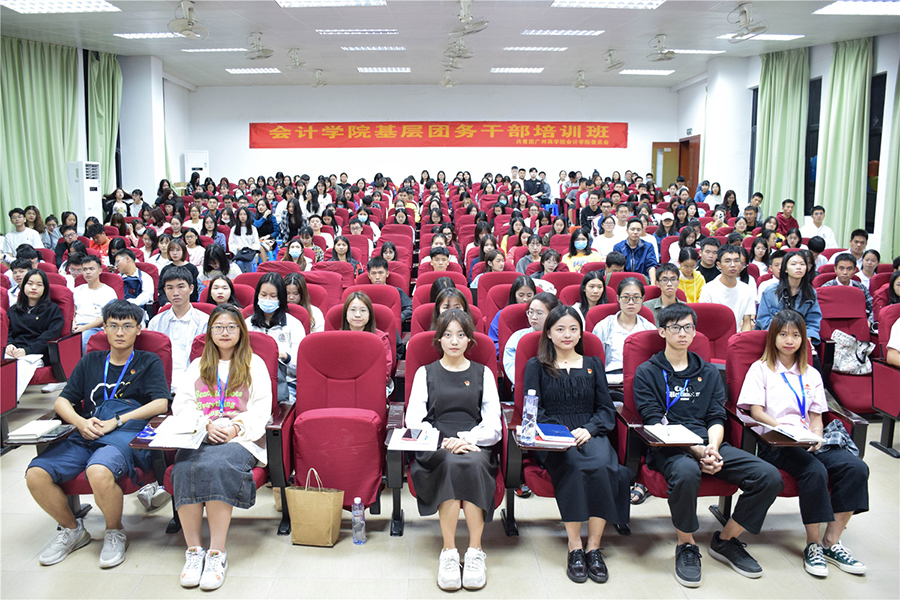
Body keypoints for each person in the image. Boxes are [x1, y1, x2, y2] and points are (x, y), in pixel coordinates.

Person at [634, 304, 784, 588]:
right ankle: (686, 544)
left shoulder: (708, 372)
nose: (683, 333)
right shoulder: (648, 372)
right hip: (669, 446)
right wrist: (697, 450)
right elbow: (653, 420)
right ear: (662, 331)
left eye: (688, 327)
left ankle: (726, 539)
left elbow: (716, 416)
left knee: (768, 476)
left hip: (709, 442)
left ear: (694, 332)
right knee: (686, 472)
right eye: (675, 327)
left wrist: (712, 448)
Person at [25, 300, 170, 568]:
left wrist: (117, 420)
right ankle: (72, 530)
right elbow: (62, 401)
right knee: (36, 474)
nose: (120, 332)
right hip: (87, 429)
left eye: (127, 326)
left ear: (139, 329)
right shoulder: (91, 360)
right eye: (113, 326)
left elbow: (161, 403)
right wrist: (80, 422)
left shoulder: (148, 361)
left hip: (125, 431)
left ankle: (114, 531)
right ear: (104, 328)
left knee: (98, 470)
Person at [737, 309, 869, 577]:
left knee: (856, 468)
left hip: (807, 439)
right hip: (776, 442)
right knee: (814, 470)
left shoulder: (810, 374)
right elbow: (756, 412)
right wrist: (782, 428)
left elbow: (816, 415)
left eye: (796, 335)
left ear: (803, 339)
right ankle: (813, 544)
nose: (789, 340)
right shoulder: (761, 369)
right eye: (783, 334)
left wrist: (817, 435)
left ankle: (831, 542)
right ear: (773, 337)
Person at [523, 305, 631, 584]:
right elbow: (533, 410)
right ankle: (574, 546)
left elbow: (605, 408)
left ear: (581, 333)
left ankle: (594, 547)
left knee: (604, 466)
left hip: (589, 432)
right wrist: (562, 433)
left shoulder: (593, 364)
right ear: (548, 333)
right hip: (553, 437)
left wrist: (590, 429)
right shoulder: (536, 366)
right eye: (560, 329)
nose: (567, 334)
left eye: (573, 329)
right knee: (573, 466)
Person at [171, 305, 273, 590]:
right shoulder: (197, 365)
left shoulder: (255, 364)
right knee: (184, 468)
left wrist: (235, 427)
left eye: (231, 327)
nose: (224, 332)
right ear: (210, 332)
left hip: (241, 437)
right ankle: (194, 551)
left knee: (216, 466)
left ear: (241, 331)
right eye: (218, 327)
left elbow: (261, 410)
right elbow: (182, 406)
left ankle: (216, 553)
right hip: (200, 433)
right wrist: (205, 425)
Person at [406, 310, 501, 591]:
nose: (454, 341)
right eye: (448, 335)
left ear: (469, 339)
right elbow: (414, 420)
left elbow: (494, 424)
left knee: (470, 463)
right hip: (435, 445)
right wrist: (444, 441)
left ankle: (474, 551)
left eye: (460, 335)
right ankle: (448, 552)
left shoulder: (483, 373)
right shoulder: (426, 373)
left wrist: (467, 439)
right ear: (439, 339)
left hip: (475, 442)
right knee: (450, 463)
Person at [4, 269, 64, 398]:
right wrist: (9, 344)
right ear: (23, 286)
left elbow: (50, 336)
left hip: (36, 354)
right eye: (30, 283)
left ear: (45, 288)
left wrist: (27, 351)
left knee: (18, 367)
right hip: (14, 351)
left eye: (39, 284)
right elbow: (7, 331)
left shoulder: (53, 310)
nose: (34, 288)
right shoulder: (13, 310)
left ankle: (6, 401)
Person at [246, 273, 305, 404]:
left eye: (273, 296)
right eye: (263, 295)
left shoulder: (294, 325)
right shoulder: (247, 324)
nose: (267, 299)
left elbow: (301, 368)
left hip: (285, 385)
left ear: (281, 298)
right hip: (251, 383)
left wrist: (285, 357)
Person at [148, 265, 210, 388]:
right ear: (164, 290)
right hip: (161, 382)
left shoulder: (205, 321)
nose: (175, 293)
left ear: (191, 289)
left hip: (197, 382)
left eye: (181, 287)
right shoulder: (156, 322)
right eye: (170, 288)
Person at [592, 277, 656, 374]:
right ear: (618, 298)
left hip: (641, 377)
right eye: (626, 297)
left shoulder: (649, 329)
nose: (631, 302)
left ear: (642, 299)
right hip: (610, 377)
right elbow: (594, 360)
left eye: (636, 298)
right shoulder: (603, 327)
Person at [756, 251, 822, 343]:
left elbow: (813, 322)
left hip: (800, 339)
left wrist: (807, 338)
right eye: (793, 264)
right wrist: (785, 336)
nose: (798, 267)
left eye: (802, 264)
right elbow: (763, 320)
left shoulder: (810, 292)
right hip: (774, 338)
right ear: (785, 269)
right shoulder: (770, 292)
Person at [699, 244, 757, 333]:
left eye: (736, 261)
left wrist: (742, 339)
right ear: (719, 265)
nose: (733, 265)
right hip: (715, 336)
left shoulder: (747, 290)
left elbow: (746, 322)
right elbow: (705, 322)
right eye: (727, 261)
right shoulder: (708, 289)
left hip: (738, 337)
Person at [502, 292, 559, 381]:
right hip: (524, 384)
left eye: (539, 313)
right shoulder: (517, 337)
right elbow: (512, 369)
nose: (533, 317)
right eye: (531, 312)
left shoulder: (561, 336)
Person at [341, 291, 392, 390]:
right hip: (341, 385)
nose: (357, 315)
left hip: (370, 387)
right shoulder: (335, 339)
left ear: (369, 315)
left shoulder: (380, 340)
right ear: (345, 314)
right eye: (352, 310)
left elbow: (384, 372)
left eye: (363, 310)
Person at [72, 255, 118, 353]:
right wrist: (73, 324)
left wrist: (84, 328)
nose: (87, 272)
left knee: (86, 338)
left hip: (96, 328)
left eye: (91, 269)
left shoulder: (108, 292)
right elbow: (72, 311)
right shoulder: (77, 290)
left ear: (100, 271)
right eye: (84, 269)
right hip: (77, 326)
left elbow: (106, 317)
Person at [822, 253, 875, 327]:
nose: (845, 272)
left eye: (849, 269)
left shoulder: (861, 288)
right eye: (841, 268)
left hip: (856, 324)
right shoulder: (826, 288)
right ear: (835, 269)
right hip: (832, 325)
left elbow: (873, 307)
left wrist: (869, 321)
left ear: (854, 270)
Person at [488, 276, 536, 354]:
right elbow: (493, 344)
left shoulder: (539, 315)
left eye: (529, 295)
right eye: (521, 295)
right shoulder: (502, 314)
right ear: (514, 295)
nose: (525, 299)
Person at [366, 256, 412, 324]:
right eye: (373, 273)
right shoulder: (363, 293)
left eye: (380, 273)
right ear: (369, 275)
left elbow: (410, 308)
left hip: (392, 325)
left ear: (387, 274)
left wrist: (398, 318)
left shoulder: (396, 291)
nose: (377, 277)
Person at [613, 218, 658, 284]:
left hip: (643, 281)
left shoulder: (648, 247)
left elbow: (651, 266)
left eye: (638, 230)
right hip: (624, 282)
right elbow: (617, 268)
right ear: (627, 230)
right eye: (632, 229)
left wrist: (653, 284)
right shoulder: (618, 247)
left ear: (642, 231)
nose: (635, 232)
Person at [158, 238, 200, 304]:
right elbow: (161, 290)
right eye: (171, 250)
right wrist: (166, 302)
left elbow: (194, 291)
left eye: (178, 250)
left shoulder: (192, 268)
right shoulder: (165, 269)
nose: (174, 253)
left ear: (184, 251)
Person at [113, 249, 154, 316]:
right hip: (117, 311)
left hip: (137, 311)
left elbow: (146, 296)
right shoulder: (116, 278)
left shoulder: (145, 277)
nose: (116, 265)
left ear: (127, 259)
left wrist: (129, 303)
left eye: (117, 261)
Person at [229, 207, 260, 273]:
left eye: (244, 214)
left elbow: (256, 243)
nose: (242, 216)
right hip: (239, 254)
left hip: (250, 254)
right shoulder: (234, 229)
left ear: (248, 216)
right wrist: (238, 248)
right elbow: (231, 243)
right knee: (239, 263)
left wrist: (250, 250)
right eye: (240, 214)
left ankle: (250, 277)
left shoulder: (253, 229)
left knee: (249, 262)